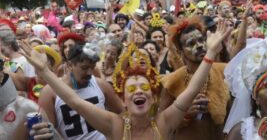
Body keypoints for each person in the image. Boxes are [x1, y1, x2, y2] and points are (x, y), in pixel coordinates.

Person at [20, 19, 231, 140]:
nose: (138, 91)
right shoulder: (115, 125)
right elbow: (74, 101)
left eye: (143, 87)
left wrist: (211, 52)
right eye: (132, 89)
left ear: (152, 96)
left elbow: (192, 89)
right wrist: (45, 71)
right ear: (124, 99)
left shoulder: (165, 121)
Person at [159, 16, 231, 140]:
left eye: (201, 40)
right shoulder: (172, 81)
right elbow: (161, 124)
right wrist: (184, 113)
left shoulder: (225, 71)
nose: (199, 46)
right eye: (191, 44)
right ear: (180, 51)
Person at [38, 44, 124, 139]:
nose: (89, 73)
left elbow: (123, 113)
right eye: (84, 68)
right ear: (70, 65)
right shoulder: (50, 92)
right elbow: (48, 132)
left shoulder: (101, 85)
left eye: (92, 67)